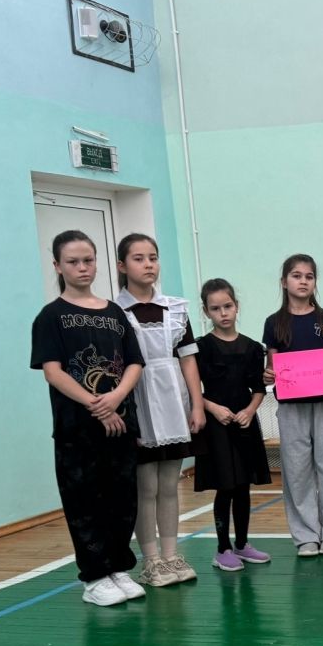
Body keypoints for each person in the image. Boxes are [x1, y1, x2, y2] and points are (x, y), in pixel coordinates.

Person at [30, 229, 145, 606]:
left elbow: (133, 363)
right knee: (85, 501)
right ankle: (94, 577)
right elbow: (53, 372)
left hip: (121, 424)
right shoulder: (51, 317)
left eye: (88, 260)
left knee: (122, 499)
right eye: (73, 262)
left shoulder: (114, 313)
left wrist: (116, 397)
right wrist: (97, 405)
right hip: (77, 430)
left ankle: (118, 567)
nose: (82, 267)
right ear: (57, 266)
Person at [115, 233, 205, 587]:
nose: (148, 264)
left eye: (153, 257)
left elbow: (188, 360)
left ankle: (171, 555)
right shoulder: (114, 312)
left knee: (169, 483)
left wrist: (196, 404)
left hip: (173, 403)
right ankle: (150, 560)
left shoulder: (176, 309)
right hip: (138, 403)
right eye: (138, 258)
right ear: (123, 266)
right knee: (145, 486)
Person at [261, 253, 323, 557]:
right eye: (296, 276)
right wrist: (268, 374)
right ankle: (306, 536)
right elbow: (271, 366)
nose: (303, 281)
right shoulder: (274, 323)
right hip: (291, 408)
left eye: (309, 276)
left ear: (315, 282)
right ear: (284, 282)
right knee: (297, 473)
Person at [193, 278, 271, 572]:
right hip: (217, 427)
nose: (223, 313)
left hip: (244, 424)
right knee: (225, 486)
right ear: (206, 311)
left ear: (236, 306)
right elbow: (191, 390)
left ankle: (242, 544)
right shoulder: (200, 348)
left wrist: (250, 410)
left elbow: (259, 388)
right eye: (215, 308)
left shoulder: (252, 348)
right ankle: (222, 548)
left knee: (243, 486)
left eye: (227, 306)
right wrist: (212, 408)